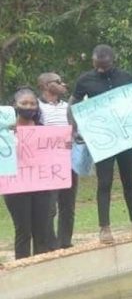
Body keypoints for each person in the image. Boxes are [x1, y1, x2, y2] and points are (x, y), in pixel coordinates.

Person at [69, 44, 132, 243]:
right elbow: (73, 104)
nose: (101, 69)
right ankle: (104, 228)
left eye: (105, 66)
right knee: (104, 182)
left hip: (126, 138)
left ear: (112, 60)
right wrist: (74, 129)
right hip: (103, 140)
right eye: (97, 65)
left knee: (129, 181)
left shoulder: (127, 77)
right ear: (93, 61)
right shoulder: (85, 80)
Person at [4, 88, 54, 259]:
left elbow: (56, 154)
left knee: (42, 231)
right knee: (23, 230)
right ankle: (22, 268)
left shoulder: (44, 131)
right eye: (24, 103)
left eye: (33, 103)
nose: (29, 107)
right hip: (15, 187)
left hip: (41, 185)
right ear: (14, 106)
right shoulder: (5, 133)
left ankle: (41, 269)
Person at [36, 73, 76, 250]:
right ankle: (50, 244)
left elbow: (75, 130)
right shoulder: (36, 107)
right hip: (48, 164)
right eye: (58, 82)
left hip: (69, 160)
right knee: (49, 206)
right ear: (45, 85)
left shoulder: (68, 107)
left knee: (68, 204)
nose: (63, 84)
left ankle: (65, 242)